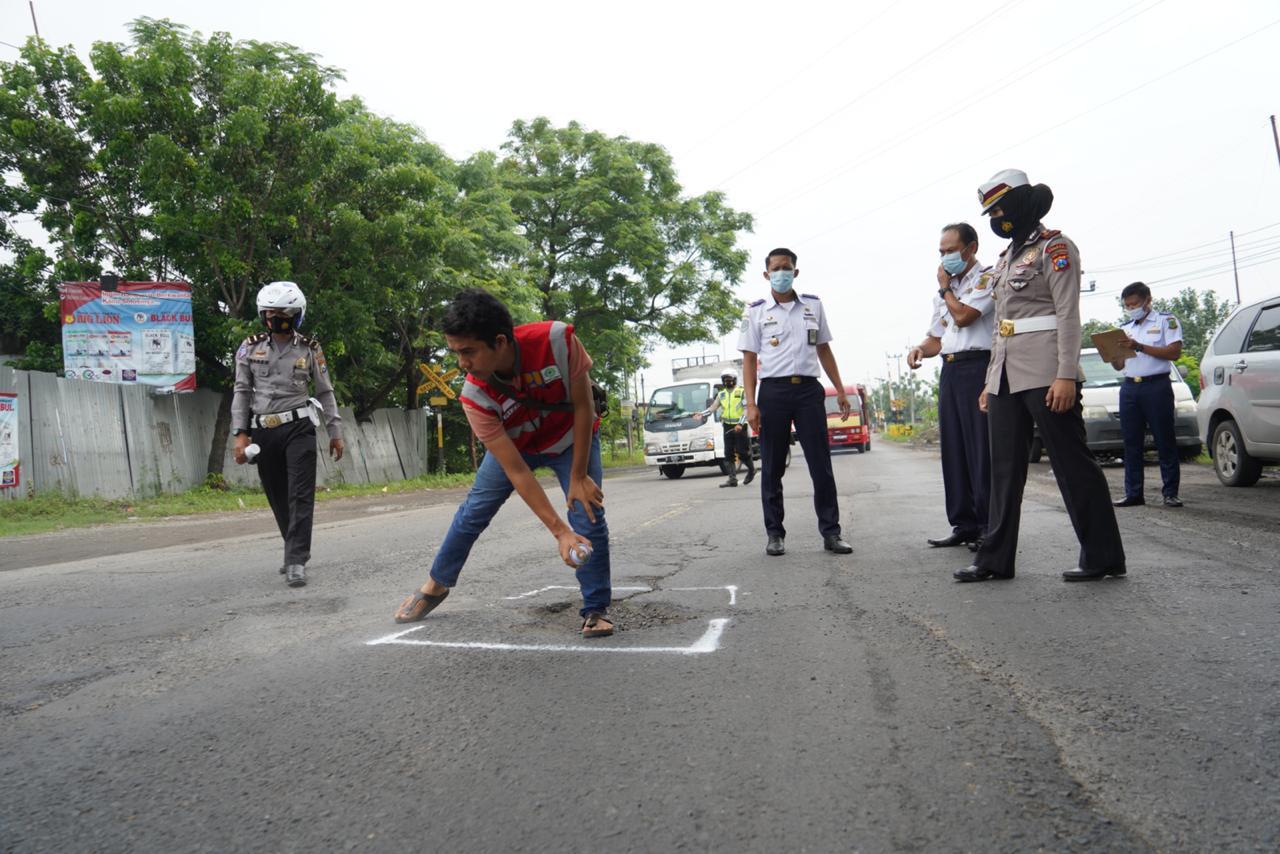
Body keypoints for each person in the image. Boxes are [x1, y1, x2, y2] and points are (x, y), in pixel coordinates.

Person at [392, 289, 613, 638]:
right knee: (473, 512)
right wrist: (558, 531)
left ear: (499, 341)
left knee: (587, 511)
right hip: (517, 447)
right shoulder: (474, 395)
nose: (462, 363)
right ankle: (436, 584)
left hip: (571, 439)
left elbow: (584, 406)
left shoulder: (557, 340)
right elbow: (516, 471)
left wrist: (579, 475)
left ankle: (596, 608)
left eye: (468, 352)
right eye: (456, 352)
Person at [954, 170, 1126, 583]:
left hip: (1048, 372)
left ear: (1020, 204)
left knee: (1072, 464)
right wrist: (989, 382)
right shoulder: (1005, 259)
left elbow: (1067, 313)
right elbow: (1003, 326)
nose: (995, 218)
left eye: (999, 208)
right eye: (990, 212)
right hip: (1005, 378)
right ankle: (994, 560)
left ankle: (1103, 556)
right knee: (1003, 471)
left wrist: (1066, 374)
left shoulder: (1056, 248)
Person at [739, 247, 854, 557]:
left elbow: (824, 350)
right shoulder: (755, 311)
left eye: (786, 267)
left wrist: (840, 390)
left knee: (821, 466)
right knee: (772, 468)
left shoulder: (813, 307)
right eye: (775, 268)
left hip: (808, 392)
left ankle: (831, 533)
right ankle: (774, 534)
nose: (781, 273)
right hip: (773, 394)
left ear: (795, 271)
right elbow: (749, 360)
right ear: (766, 274)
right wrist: (751, 404)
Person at [231, 281, 345, 588]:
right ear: (263, 316)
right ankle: (291, 548)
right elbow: (241, 391)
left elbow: (325, 391)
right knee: (278, 495)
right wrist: (240, 434)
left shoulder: (310, 348)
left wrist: (336, 431)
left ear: (297, 316)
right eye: (272, 314)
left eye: (285, 314)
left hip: (299, 428)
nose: (278, 319)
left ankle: (296, 560)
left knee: (300, 494)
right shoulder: (249, 347)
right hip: (263, 430)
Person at [907, 222, 994, 551]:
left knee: (980, 450)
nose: (944, 258)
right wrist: (919, 350)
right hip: (951, 369)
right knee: (954, 450)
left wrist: (946, 289)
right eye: (941, 252)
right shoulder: (945, 289)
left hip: (979, 368)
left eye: (950, 250)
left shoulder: (986, 277)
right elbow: (937, 337)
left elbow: (965, 317)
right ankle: (964, 524)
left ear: (970, 248)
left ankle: (988, 525)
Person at [1110, 282, 1184, 508]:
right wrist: (1112, 352)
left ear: (1147, 300)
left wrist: (1140, 346)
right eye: (1127, 305)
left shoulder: (1165, 321)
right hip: (1130, 387)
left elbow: (1174, 352)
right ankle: (1133, 493)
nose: (1131, 308)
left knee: (1164, 440)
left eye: (1135, 304)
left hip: (1156, 386)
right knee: (1131, 442)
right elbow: (1118, 364)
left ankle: (1170, 492)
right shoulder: (1126, 328)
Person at [696, 368, 755, 488]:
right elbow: (713, 408)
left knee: (742, 452)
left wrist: (740, 423)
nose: (727, 382)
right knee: (728, 453)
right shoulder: (721, 394)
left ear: (734, 379)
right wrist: (701, 414)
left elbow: (746, 409)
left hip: (740, 426)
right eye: (725, 380)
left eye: (729, 379)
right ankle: (732, 479)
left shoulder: (741, 392)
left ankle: (751, 470)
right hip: (727, 426)